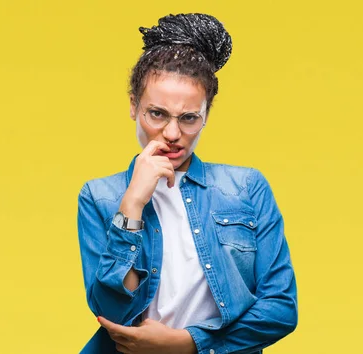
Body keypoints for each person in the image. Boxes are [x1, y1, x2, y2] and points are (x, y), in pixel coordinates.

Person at [76, 13, 298, 354]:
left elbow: (281, 309)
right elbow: (112, 312)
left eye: (189, 118)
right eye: (158, 114)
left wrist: (189, 344)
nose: (172, 134)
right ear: (134, 106)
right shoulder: (100, 196)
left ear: (206, 114)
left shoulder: (246, 188)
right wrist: (132, 205)